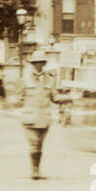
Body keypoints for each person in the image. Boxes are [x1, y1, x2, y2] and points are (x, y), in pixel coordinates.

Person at [17, 50, 62, 180]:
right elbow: (17, 95)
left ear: (44, 64)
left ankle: (37, 169)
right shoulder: (24, 79)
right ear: (32, 64)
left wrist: (66, 99)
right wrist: (21, 102)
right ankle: (34, 171)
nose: (39, 65)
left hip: (44, 117)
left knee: (40, 144)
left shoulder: (50, 79)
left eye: (41, 63)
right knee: (34, 143)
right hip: (30, 117)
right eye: (36, 63)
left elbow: (54, 97)